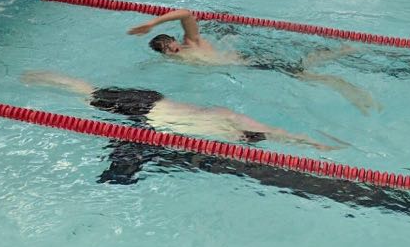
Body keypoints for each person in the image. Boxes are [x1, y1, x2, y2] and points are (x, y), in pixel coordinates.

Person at [127, 9, 378, 114]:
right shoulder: (177, 60)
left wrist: (152, 22)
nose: (172, 48)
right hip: (250, 65)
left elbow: (186, 14)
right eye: (167, 50)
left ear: (174, 38)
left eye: (170, 42)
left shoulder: (192, 43)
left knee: (305, 74)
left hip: (252, 61)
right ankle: (343, 51)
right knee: (304, 67)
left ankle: (352, 90)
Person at [22, 69, 340, 150]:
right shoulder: (226, 132)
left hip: (153, 101)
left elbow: (274, 133)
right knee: (83, 96)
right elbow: (278, 134)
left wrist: (311, 143)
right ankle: (41, 78)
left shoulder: (226, 119)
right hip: (145, 112)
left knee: (87, 91)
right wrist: (314, 145)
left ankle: (41, 76)